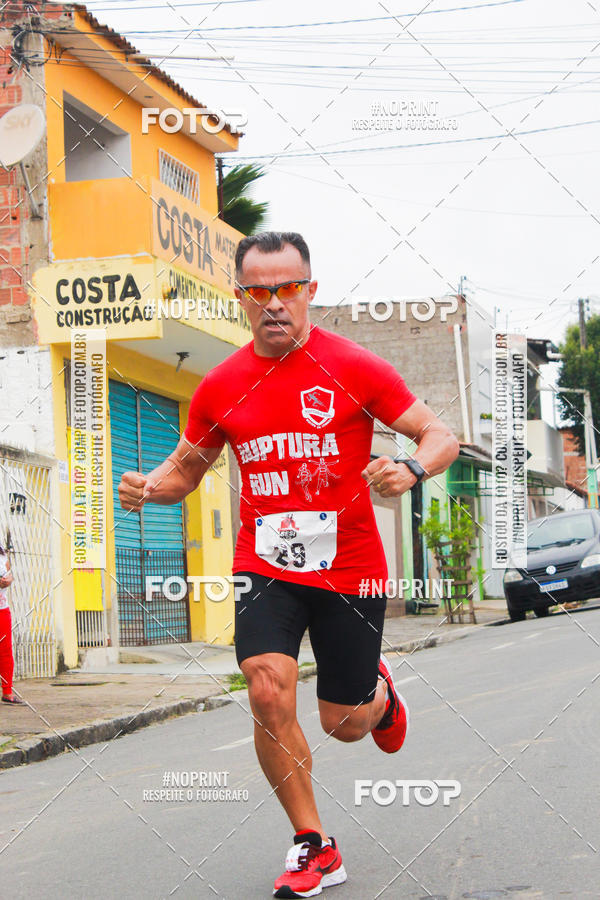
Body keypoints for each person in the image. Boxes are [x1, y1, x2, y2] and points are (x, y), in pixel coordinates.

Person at [119, 231, 459, 898]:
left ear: (310, 291)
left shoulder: (355, 367)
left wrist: (412, 465)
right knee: (266, 687)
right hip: (264, 565)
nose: (274, 302)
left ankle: (379, 697)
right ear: (240, 298)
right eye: (258, 290)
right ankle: (314, 843)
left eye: (288, 288)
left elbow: (440, 433)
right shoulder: (221, 386)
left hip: (350, 566)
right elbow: (187, 468)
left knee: (344, 723)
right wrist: (150, 487)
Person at [0, 544, 22, 704]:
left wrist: (9, 579)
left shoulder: (1, 549)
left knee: (6, 651)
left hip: (2, 608)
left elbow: (8, 571)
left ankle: (7, 692)